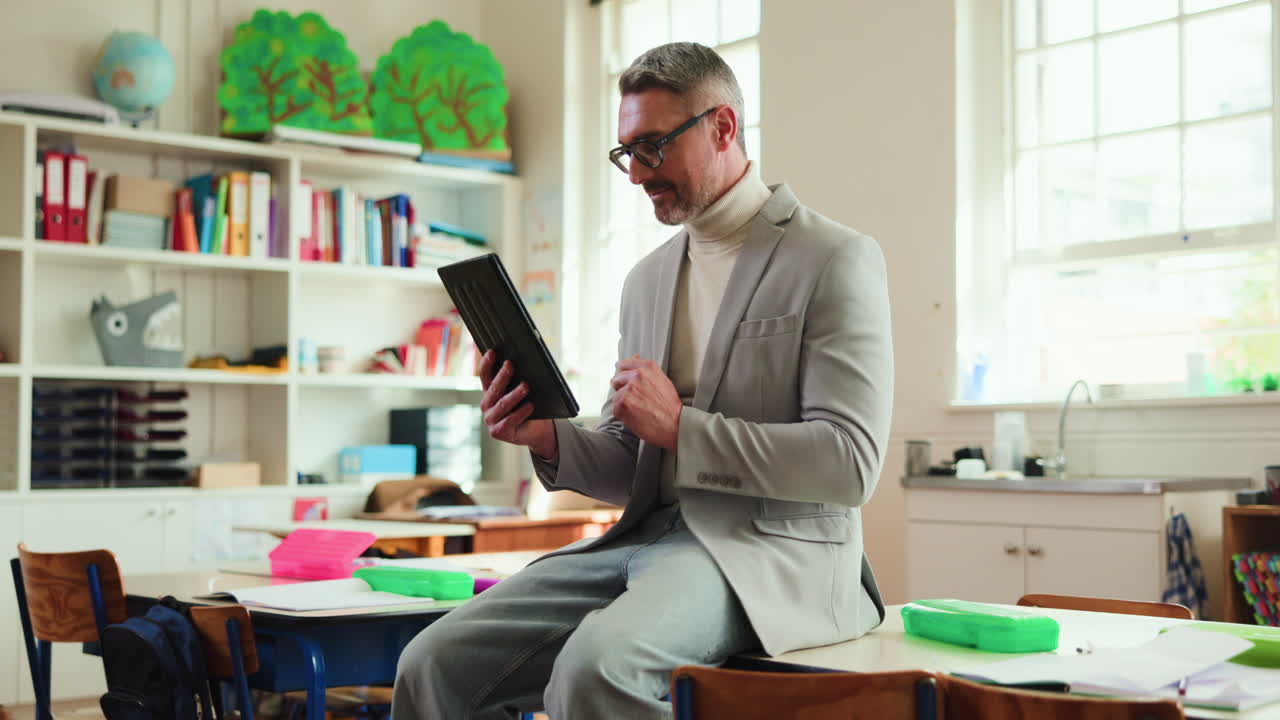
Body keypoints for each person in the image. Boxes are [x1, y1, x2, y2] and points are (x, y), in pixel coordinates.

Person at [392, 41, 893, 720]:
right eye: (627, 151)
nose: (637, 176)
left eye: (653, 147)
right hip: (645, 541)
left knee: (596, 670)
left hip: (773, 557)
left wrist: (682, 430)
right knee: (431, 662)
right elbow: (635, 462)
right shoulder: (647, 281)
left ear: (722, 128)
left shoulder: (834, 258)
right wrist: (545, 437)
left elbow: (849, 465)